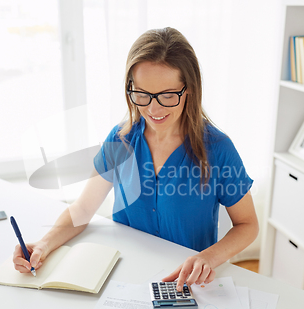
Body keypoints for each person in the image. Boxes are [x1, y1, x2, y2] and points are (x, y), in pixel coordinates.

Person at [13, 27, 258, 292]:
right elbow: (83, 209)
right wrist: (44, 243)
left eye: (167, 95)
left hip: (186, 285)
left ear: (189, 90)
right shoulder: (121, 139)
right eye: (141, 94)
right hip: (124, 280)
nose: (153, 109)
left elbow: (247, 224)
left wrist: (208, 258)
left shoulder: (218, 149)